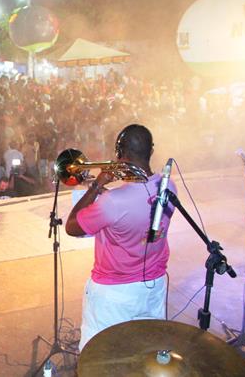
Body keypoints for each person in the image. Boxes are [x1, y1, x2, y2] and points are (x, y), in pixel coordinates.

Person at [65, 124, 176, 351]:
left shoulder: (113, 202)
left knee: (99, 355)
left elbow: (72, 227)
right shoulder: (169, 186)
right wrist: (106, 195)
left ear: (120, 154)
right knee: (145, 352)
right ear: (151, 151)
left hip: (114, 294)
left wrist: (97, 186)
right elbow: (137, 207)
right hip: (154, 287)